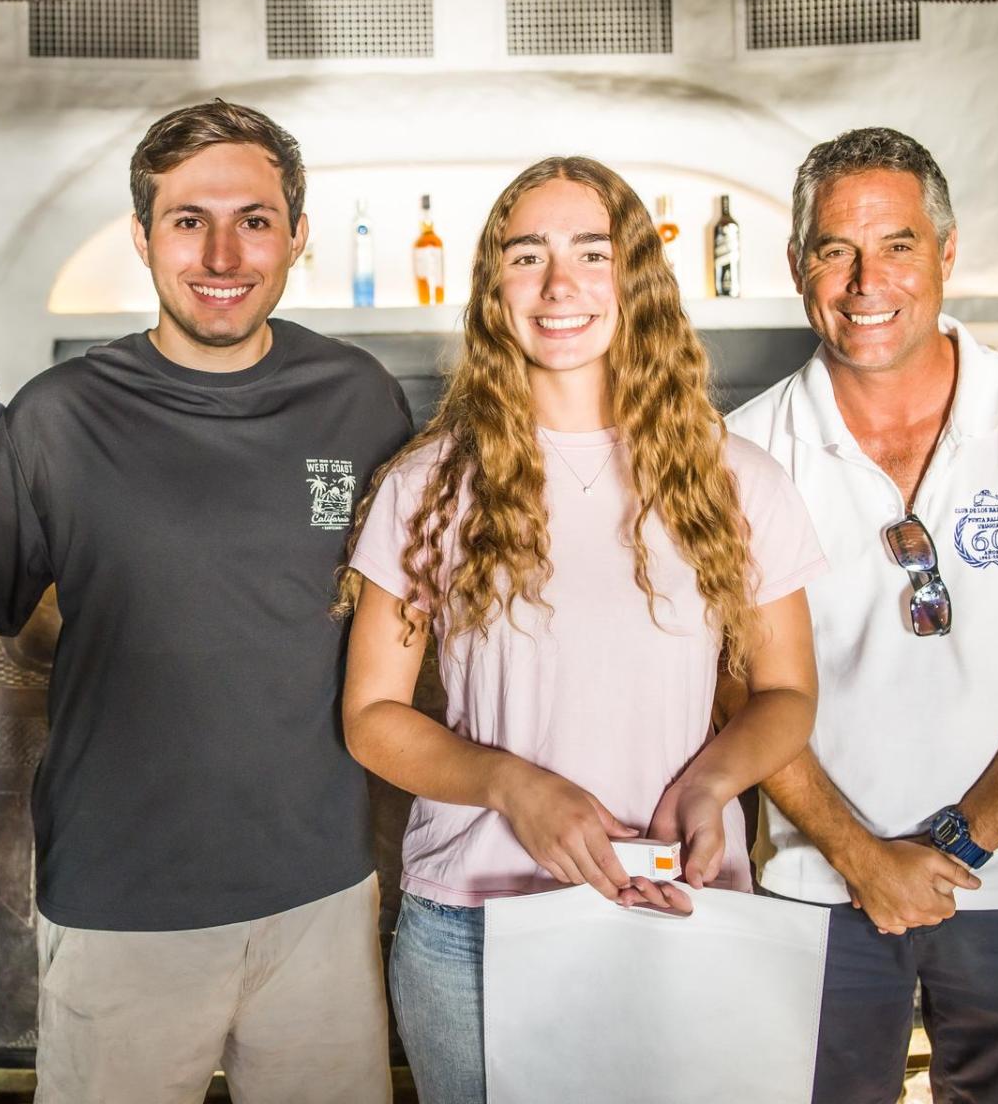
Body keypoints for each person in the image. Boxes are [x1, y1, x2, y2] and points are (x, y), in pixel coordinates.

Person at [337, 156, 826, 1103]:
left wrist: (712, 782)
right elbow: (371, 718)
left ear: (634, 277)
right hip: (473, 927)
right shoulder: (429, 485)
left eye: (592, 253)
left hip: (680, 905)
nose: (560, 285)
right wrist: (512, 786)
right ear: (494, 290)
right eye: (528, 256)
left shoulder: (737, 479)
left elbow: (787, 693)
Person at [0, 100, 412, 1104]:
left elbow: (404, 606)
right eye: (188, 221)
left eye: (254, 220)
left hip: (321, 890)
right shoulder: (56, 418)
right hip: (120, 898)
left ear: (297, 235)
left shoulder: (359, 397)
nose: (222, 254)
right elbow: (1, 617)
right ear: (142, 236)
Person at [727, 126, 998, 1102]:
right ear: (796, 266)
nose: (865, 281)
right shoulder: (741, 453)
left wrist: (956, 848)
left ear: (947, 253)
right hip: (816, 888)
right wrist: (860, 858)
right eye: (835, 250)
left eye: (897, 245)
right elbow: (735, 688)